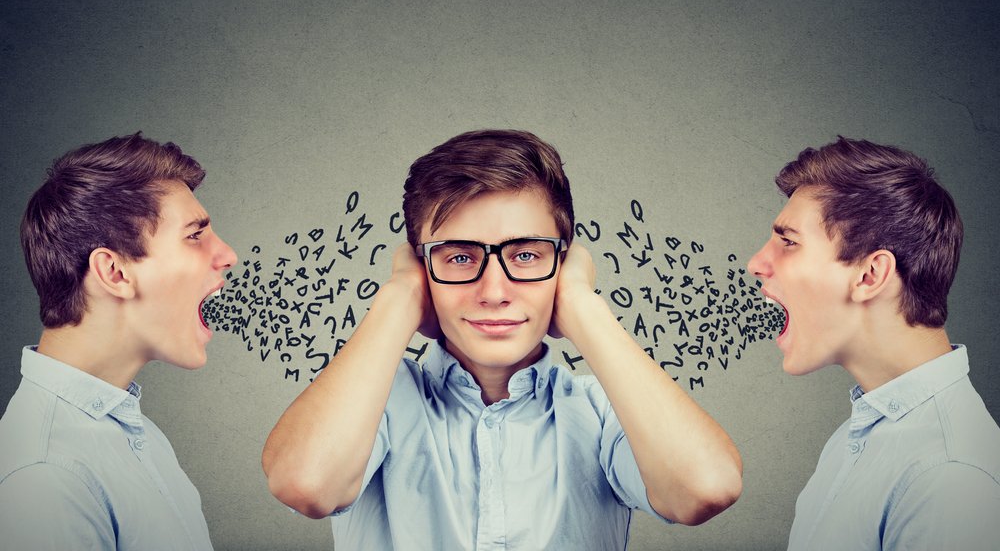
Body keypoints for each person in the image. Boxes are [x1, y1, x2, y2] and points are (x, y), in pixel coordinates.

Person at [262, 129, 743, 549]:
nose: (494, 292)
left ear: (563, 261)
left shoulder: (604, 410)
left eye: (528, 256)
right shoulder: (374, 403)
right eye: (459, 257)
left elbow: (705, 489)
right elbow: (307, 483)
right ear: (421, 266)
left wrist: (582, 305)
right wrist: (399, 298)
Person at [747, 137, 1000, 550]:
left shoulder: (950, 476)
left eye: (788, 241)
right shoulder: (859, 436)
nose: (756, 263)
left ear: (869, 275)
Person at [0, 133, 237, 550]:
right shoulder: (47, 475)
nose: (227, 255)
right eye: (195, 235)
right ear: (115, 272)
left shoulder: (134, 432)